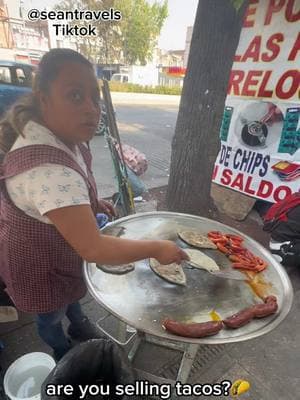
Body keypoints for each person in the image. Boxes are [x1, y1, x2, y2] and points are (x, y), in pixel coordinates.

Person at [0, 48, 188, 360]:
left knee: (69, 297)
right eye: (75, 95)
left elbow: (65, 194)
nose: (91, 108)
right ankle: (60, 349)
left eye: (94, 98)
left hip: (57, 249)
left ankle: (79, 321)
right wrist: (157, 248)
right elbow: (94, 249)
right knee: (50, 314)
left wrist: (92, 202)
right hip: (37, 262)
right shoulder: (47, 170)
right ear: (43, 98)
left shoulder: (60, 134)